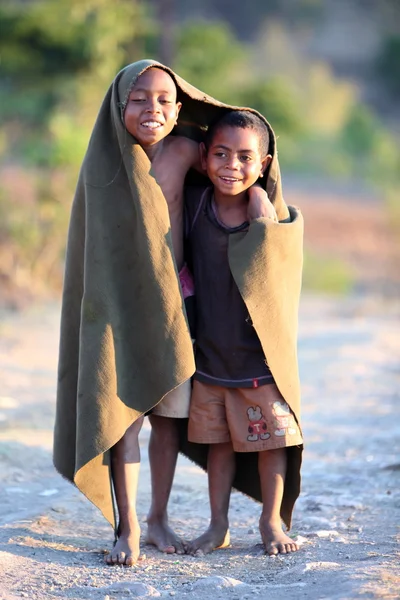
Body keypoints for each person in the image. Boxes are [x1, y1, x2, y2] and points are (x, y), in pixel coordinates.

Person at [53, 60, 273, 567]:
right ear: (118, 104)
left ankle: (157, 517)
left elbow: (231, 170)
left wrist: (260, 195)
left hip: (179, 300)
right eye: (139, 98)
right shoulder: (105, 163)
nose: (151, 108)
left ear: (178, 111)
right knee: (124, 415)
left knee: (169, 417)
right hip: (120, 307)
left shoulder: (184, 150)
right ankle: (126, 525)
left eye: (163, 101)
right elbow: (93, 248)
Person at [184, 110, 304, 556]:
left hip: (259, 358)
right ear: (203, 156)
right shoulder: (195, 205)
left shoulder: (273, 215)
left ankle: (271, 522)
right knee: (221, 446)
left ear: (265, 163)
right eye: (220, 154)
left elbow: (281, 272)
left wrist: (260, 205)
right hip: (211, 356)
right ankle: (217, 526)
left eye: (244, 157)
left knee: (271, 442)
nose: (230, 165)